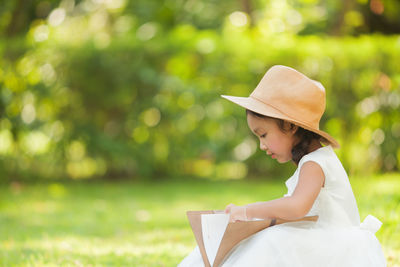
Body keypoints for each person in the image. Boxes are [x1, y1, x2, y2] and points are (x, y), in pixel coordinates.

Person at [177, 65, 387, 266]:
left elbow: (296, 207)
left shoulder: (315, 163)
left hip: (331, 247)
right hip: (318, 240)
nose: (262, 145)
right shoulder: (312, 161)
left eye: (263, 135)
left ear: (290, 125)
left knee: (270, 242)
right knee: (253, 241)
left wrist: (248, 211)